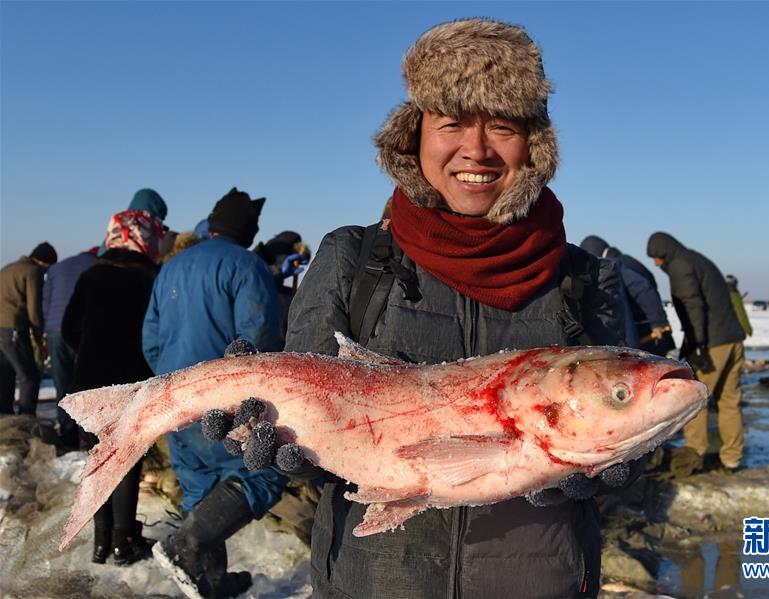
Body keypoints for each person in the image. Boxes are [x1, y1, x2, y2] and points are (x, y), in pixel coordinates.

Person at [204, 19, 641, 599]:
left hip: (540, 581)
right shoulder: (353, 259)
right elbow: (312, 441)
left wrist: (611, 468)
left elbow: (628, 427)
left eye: (503, 127)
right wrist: (271, 431)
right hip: (374, 581)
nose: (476, 150)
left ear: (533, 144)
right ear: (414, 136)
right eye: (452, 123)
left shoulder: (582, 279)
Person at [145, 187, 286, 598]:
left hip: (174, 396)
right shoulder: (247, 265)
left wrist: (171, 379)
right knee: (263, 477)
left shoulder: (171, 267)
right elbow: (257, 337)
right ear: (247, 230)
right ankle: (186, 546)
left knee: (198, 485)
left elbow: (150, 338)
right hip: (223, 401)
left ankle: (208, 580)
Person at [62, 211, 162, 565]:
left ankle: (100, 542)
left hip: (86, 384)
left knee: (96, 462)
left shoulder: (91, 275)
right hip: (129, 382)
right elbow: (156, 333)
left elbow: (68, 330)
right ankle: (124, 541)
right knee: (125, 463)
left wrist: (89, 352)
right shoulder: (152, 277)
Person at [646, 232, 746, 475]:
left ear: (664, 253)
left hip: (712, 343)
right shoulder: (697, 259)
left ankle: (695, 454)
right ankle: (732, 459)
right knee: (729, 401)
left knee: (695, 397)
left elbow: (693, 306)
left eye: (656, 258)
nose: (656, 264)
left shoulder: (681, 266)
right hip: (733, 339)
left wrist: (698, 344)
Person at [581, 235, 675, 356]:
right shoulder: (628, 260)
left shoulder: (614, 266)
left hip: (646, 333)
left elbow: (643, 289)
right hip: (648, 330)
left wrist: (658, 322)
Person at [42, 247, 97, 448]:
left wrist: (45, 331)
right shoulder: (95, 266)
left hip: (55, 330)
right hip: (80, 330)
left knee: (62, 386)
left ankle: (67, 438)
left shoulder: (56, 269)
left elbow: (45, 303)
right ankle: (87, 436)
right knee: (84, 385)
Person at [0, 242, 57, 415]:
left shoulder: (8, 268)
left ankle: (5, 421)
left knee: (6, 377)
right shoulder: (34, 271)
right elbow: (34, 309)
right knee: (30, 377)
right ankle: (26, 421)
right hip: (14, 329)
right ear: (44, 263)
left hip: (2, 329)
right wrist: (40, 339)